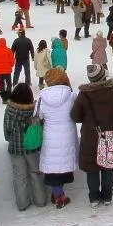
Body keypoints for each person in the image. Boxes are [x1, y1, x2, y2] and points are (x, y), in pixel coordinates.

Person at [70, 64, 113, 208]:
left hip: (89, 136)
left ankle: (94, 198)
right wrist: (112, 125)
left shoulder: (84, 95)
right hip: (109, 134)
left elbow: (75, 116)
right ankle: (107, 196)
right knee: (107, 167)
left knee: (91, 168)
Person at [3, 83, 48, 211]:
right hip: (32, 146)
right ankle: (40, 200)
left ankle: (22, 204)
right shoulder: (34, 110)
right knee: (36, 173)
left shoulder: (10, 110)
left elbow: (7, 131)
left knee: (19, 176)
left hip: (16, 148)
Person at [37, 67, 77, 206]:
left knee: (53, 168)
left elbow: (39, 116)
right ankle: (59, 195)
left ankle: (58, 194)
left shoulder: (42, 98)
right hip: (68, 135)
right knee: (63, 165)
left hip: (50, 136)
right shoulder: (71, 95)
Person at [0, 37, 15, 101]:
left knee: (1, 84)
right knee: (9, 83)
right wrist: (11, 66)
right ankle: (9, 96)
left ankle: (4, 98)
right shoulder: (8, 50)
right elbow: (12, 60)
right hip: (7, 70)